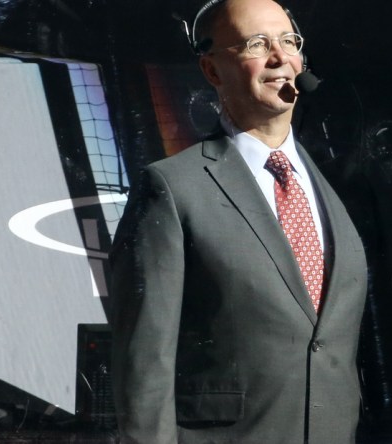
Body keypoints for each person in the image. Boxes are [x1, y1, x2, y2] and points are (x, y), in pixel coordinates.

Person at [109, 0, 367, 442]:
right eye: (256, 44)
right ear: (211, 71)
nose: (279, 56)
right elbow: (144, 362)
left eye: (289, 41)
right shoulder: (172, 187)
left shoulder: (337, 186)